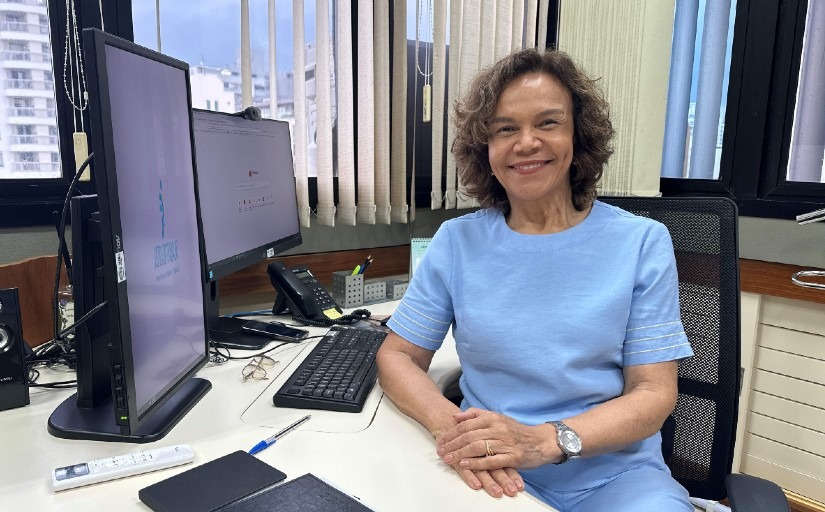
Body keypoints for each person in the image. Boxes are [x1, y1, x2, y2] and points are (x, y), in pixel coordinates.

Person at [375, 47, 694, 511]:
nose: (526, 143)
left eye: (547, 123)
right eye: (506, 128)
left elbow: (654, 391)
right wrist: (451, 428)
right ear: (486, 148)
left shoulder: (640, 242)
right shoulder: (457, 241)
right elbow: (398, 356)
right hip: (489, 471)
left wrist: (547, 442)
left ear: (578, 136)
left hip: (614, 478)